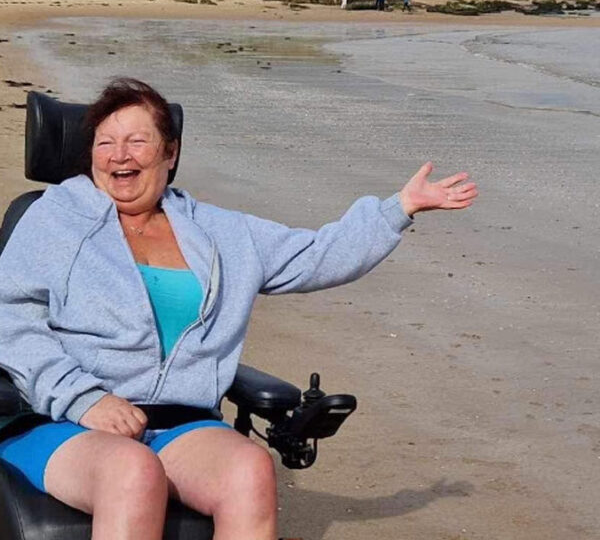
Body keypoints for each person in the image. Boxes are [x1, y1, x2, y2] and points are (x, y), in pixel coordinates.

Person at [0, 78, 478, 540]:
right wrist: (84, 399)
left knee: (250, 469)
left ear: (170, 153)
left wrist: (399, 208)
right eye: (106, 143)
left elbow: (314, 255)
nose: (119, 155)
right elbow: (10, 320)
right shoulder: (55, 218)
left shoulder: (220, 233)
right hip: (63, 422)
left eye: (137, 141)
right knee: (132, 470)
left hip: (180, 426)